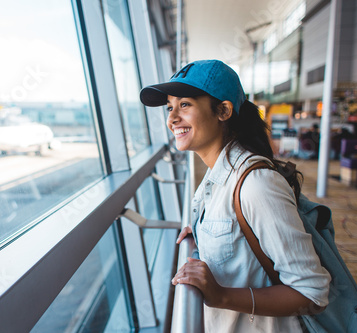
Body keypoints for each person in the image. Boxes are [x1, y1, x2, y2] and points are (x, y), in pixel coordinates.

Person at [140, 60, 330, 332]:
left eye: (184, 105)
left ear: (223, 110)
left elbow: (312, 293)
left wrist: (222, 296)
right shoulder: (216, 174)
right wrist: (201, 232)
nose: (171, 118)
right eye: (170, 107)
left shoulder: (256, 185)